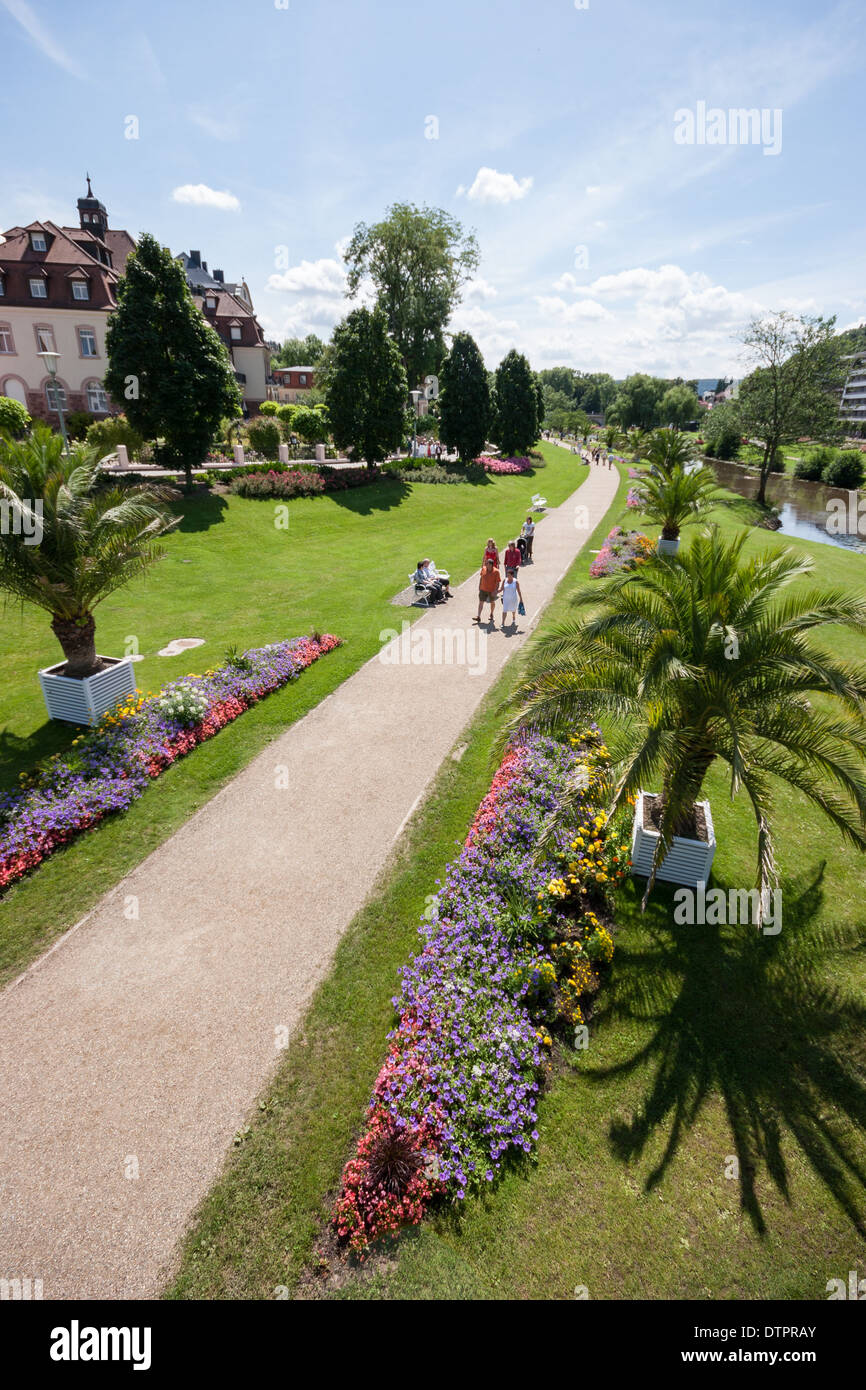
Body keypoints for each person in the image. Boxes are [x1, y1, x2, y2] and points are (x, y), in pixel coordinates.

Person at [475, 556, 500, 625]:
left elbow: (498, 582)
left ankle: (491, 614)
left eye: (487, 564)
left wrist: (495, 591)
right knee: (481, 602)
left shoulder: (496, 572)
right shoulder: (483, 568)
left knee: (492, 602)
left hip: (491, 591)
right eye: (486, 563)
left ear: (491, 565)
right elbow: (481, 578)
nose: (486, 565)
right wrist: (479, 586)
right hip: (483, 589)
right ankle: (478, 616)